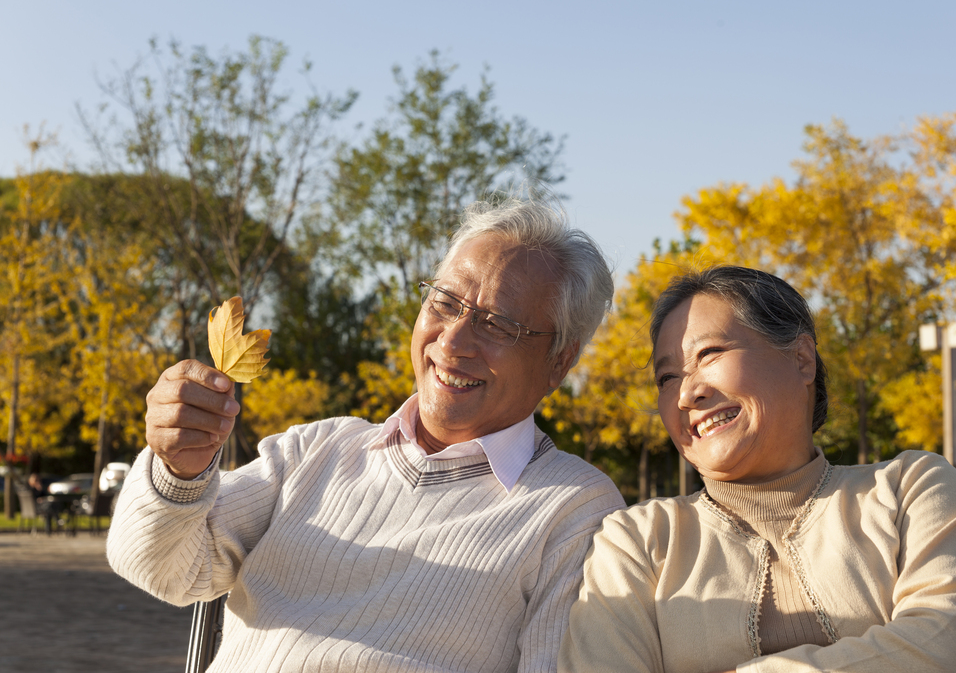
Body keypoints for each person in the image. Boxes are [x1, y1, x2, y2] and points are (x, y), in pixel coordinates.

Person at [107, 198, 626, 672]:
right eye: (445, 302)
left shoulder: (575, 510)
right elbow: (159, 569)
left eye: (496, 324)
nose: (453, 340)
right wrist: (179, 471)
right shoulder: (315, 450)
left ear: (559, 361)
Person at [558, 265, 956, 673]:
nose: (685, 394)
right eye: (666, 377)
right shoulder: (636, 540)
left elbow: (953, 646)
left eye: (709, 354)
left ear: (802, 359)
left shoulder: (911, 489)